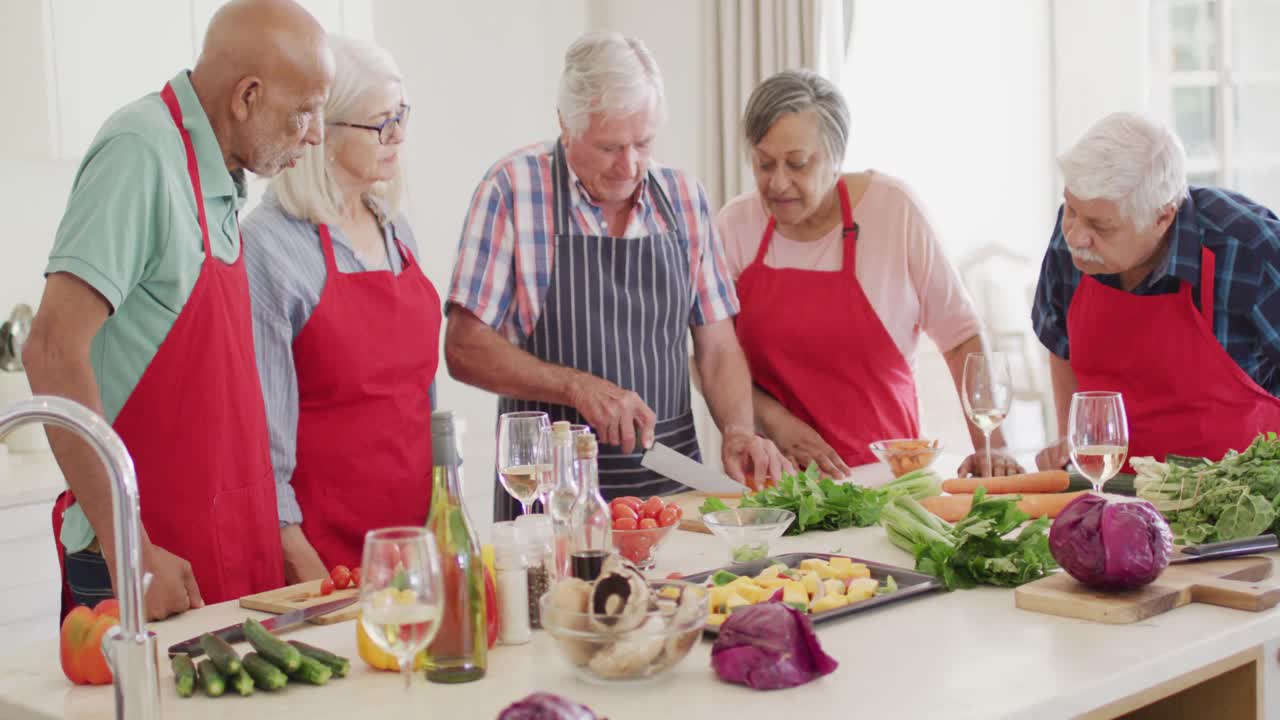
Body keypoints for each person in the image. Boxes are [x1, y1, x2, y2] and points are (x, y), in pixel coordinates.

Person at [22, 0, 333, 620]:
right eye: (304, 112)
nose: (316, 134)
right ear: (247, 97)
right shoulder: (143, 150)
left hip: (219, 547)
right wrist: (130, 549)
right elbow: (51, 350)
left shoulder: (217, 176)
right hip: (146, 559)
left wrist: (277, 535)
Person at [445, 31, 787, 522]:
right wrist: (577, 388)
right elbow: (464, 348)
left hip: (673, 493)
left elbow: (717, 346)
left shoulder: (684, 197)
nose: (629, 166)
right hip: (549, 494)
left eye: (643, 143)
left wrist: (737, 429)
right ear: (566, 125)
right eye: (608, 147)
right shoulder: (513, 190)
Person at [717, 69, 1021, 480]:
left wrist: (992, 446)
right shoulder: (735, 227)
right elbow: (713, 357)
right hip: (778, 484)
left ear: (837, 155)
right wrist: (775, 421)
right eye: (764, 164)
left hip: (889, 477)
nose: (779, 183)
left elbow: (961, 337)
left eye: (798, 163)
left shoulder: (893, 211)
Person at [242, 35, 439, 581]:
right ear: (321, 131)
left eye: (402, 115)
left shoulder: (395, 228)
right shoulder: (271, 245)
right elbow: (263, 434)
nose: (399, 134)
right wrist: (295, 553)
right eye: (381, 122)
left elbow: (420, 400)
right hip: (324, 551)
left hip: (415, 539)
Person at [1032, 112, 1280, 471]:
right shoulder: (1076, 234)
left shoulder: (1251, 253)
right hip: (1112, 495)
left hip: (1233, 503)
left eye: (1102, 226)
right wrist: (1073, 440)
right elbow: (1059, 342)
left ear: (1163, 217)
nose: (1074, 236)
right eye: (1071, 209)